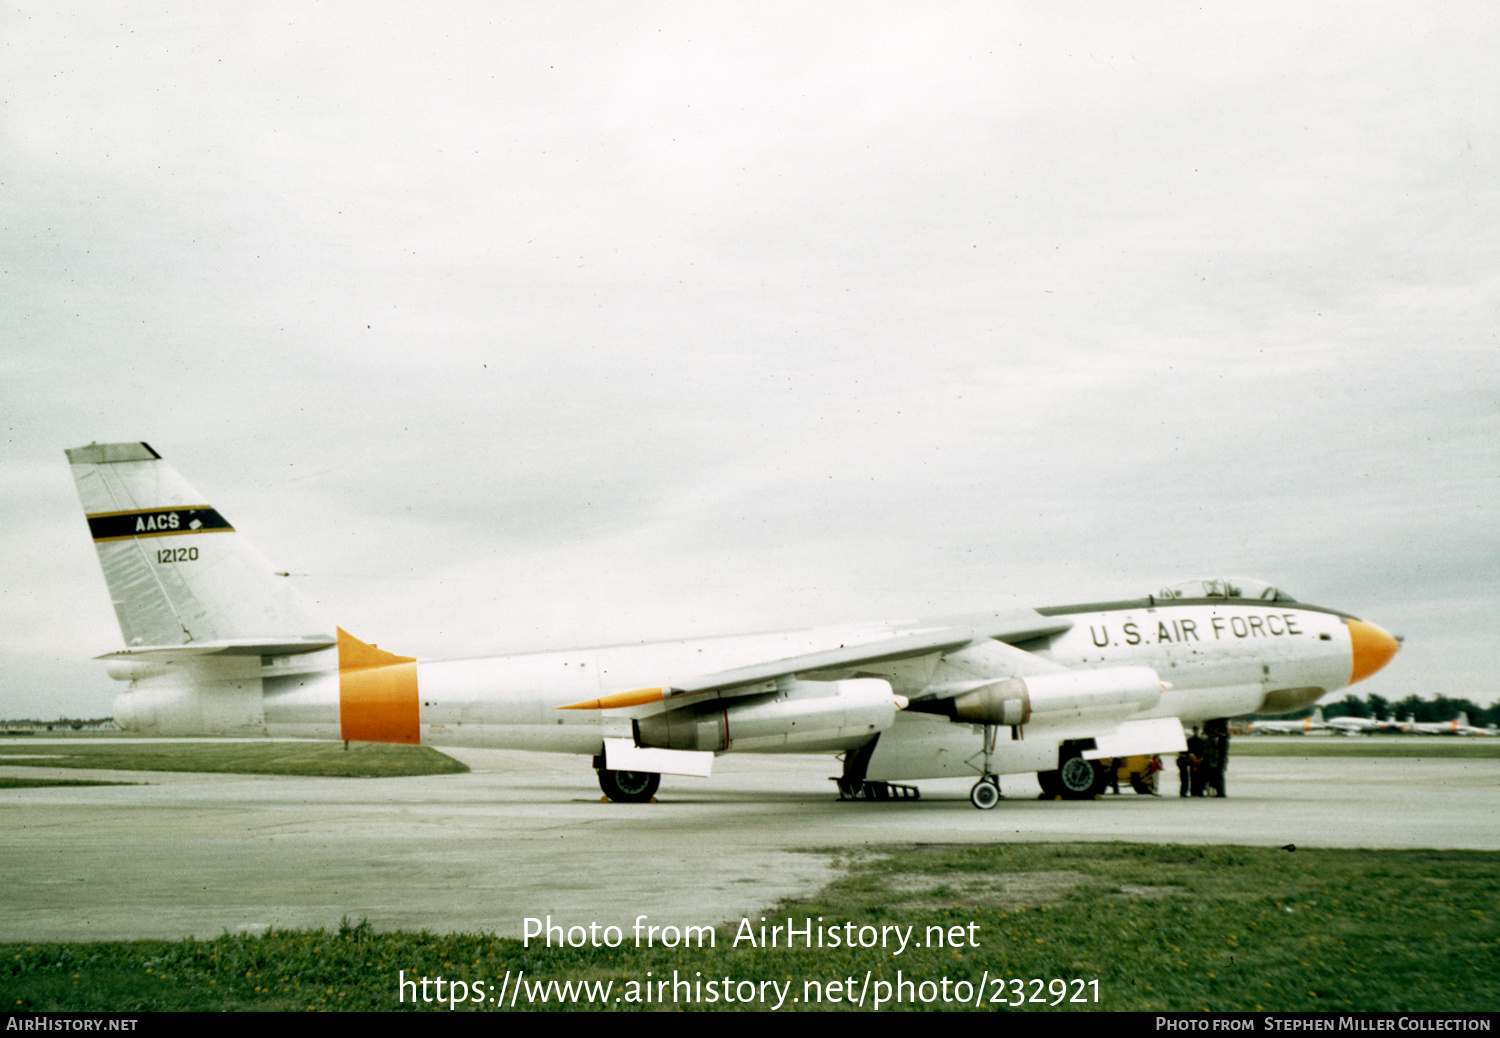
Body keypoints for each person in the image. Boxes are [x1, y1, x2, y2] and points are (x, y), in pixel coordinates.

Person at [1203, 718, 1229, 797]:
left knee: (1218, 775)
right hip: (1219, 759)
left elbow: (1217, 750)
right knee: (1218, 775)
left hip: (1218, 760)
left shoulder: (1220, 740)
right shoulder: (1223, 739)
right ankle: (1219, 791)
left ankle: (1220, 792)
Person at [1186, 726, 1207, 797]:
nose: (1196, 732)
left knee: (1200, 777)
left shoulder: (1200, 741)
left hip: (1199, 760)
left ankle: (1199, 791)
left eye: (1197, 730)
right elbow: (1188, 750)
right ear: (1193, 731)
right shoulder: (1190, 740)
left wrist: (1200, 758)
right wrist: (1191, 756)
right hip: (1192, 760)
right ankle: (1193, 791)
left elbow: (1203, 750)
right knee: (1192, 777)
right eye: (1195, 730)